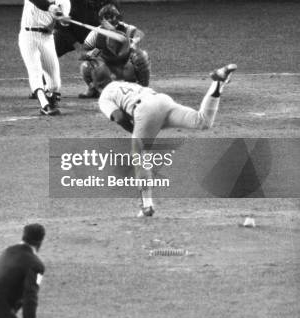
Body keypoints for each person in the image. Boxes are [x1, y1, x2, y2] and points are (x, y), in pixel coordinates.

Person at [97, 63, 237, 217]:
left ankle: (147, 205)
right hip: (162, 100)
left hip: (145, 110)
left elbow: (119, 117)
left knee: (140, 156)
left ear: (95, 84)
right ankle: (218, 82)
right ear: (110, 76)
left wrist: (135, 131)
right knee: (202, 121)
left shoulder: (103, 97)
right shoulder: (119, 84)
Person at [19, 0, 71, 116]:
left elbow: (62, 22)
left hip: (47, 39)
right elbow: (35, 0)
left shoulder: (64, 2)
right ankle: (45, 105)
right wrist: (51, 8)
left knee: (54, 83)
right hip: (28, 36)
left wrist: (63, 20)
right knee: (35, 71)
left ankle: (50, 96)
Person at [79, 4, 150, 99]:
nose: (109, 20)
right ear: (101, 19)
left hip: (125, 68)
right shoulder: (96, 32)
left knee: (141, 55)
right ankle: (93, 89)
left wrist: (132, 42)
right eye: (106, 17)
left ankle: (143, 88)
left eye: (112, 16)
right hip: (105, 70)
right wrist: (90, 54)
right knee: (86, 65)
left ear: (117, 17)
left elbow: (139, 34)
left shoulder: (126, 28)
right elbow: (82, 54)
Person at [54, 0, 118, 57]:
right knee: (55, 43)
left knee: (116, 46)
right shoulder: (74, 1)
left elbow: (116, 27)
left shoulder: (112, 4)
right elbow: (60, 26)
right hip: (75, 34)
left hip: (96, 36)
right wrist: (75, 44)